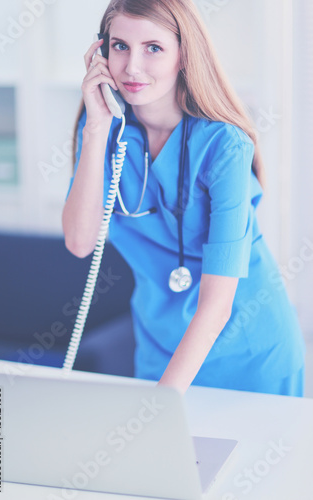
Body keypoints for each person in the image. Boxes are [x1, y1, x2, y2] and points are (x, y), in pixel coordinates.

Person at [62, 0, 306, 396]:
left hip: (248, 355)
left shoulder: (225, 146)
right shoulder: (106, 132)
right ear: (101, 52)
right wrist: (96, 130)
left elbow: (216, 306)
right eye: (120, 46)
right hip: (162, 349)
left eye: (153, 48)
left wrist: (160, 406)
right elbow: (79, 241)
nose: (132, 67)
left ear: (183, 56)